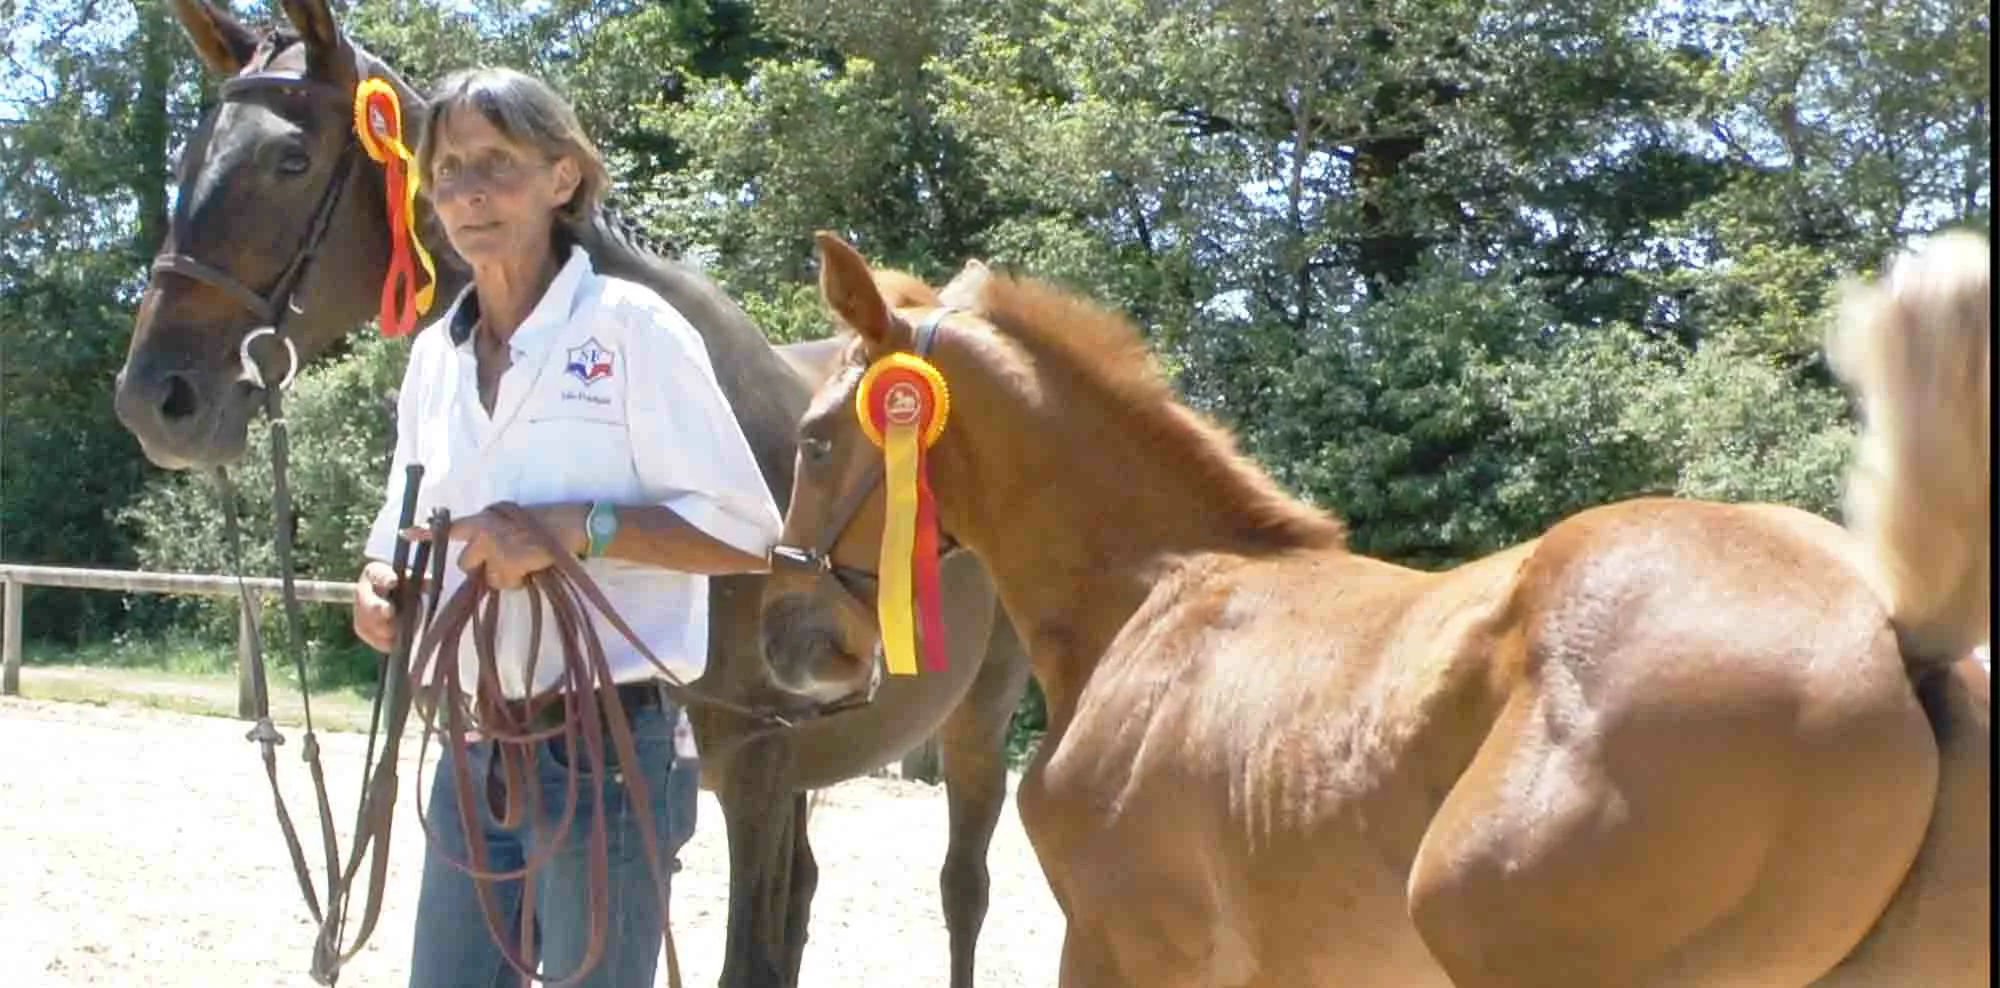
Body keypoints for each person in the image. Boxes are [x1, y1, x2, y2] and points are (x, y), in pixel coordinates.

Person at [349, 66, 780, 988]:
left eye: (497, 164)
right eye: (450, 168)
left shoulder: (636, 333)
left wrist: (577, 528)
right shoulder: (434, 358)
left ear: (563, 178)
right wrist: (382, 591)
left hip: (609, 757)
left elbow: (745, 534)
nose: (468, 192)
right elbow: (402, 532)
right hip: (471, 755)